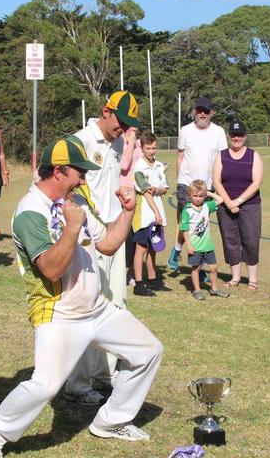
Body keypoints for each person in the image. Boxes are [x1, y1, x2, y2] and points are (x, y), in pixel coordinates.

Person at [0, 138, 163, 456]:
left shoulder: (75, 202)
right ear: (59, 171)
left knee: (148, 351)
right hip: (58, 313)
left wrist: (128, 212)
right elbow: (50, 269)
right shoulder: (29, 212)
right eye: (79, 172)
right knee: (45, 385)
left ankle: (111, 421)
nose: (84, 179)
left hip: (97, 308)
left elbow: (108, 244)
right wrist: (72, 228)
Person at [64, 90, 141, 404]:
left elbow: (108, 185)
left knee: (116, 305)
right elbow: (67, 190)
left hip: (115, 233)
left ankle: (104, 377)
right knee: (87, 307)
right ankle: (76, 383)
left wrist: (120, 199)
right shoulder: (80, 141)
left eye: (128, 124)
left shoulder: (118, 142)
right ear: (105, 111)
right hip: (90, 239)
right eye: (120, 121)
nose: (123, 128)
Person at [168, 96, 228, 273]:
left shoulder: (218, 132)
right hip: (186, 184)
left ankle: (178, 251)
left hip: (207, 186)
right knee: (188, 223)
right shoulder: (185, 130)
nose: (202, 114)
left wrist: (218, 185)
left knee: (200, 226)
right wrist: (179, 183)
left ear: (211, 113)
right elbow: (179, 158)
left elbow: (221, 160)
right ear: (195, 111)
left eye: (206, 111)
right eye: (199, 110)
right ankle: (198, 268)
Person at [212, 119, 263, 290]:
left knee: (251, 240)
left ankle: (252, 280)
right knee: (230, 241)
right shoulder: (222, 155)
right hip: (226, 206)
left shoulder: (253, 155)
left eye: (240, 135)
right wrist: (228, 202)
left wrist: (238, 201)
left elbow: (256, 182)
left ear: (245, 136)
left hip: (250, 206)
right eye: (234, 135)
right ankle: (235, 277)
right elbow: (216, 181)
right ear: (229, 136)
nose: (236, 138)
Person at [132, 132, 168, 296]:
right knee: (141, 248)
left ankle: (153, 280)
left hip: (157, 212)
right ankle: (139, 284)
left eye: (154, 148)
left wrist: (158, 189)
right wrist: (156, 212)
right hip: (145, 213)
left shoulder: (160, 166)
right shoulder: (139, 167)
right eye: (148, 148)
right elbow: (145, 192)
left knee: (153, 247)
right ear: (141, 148)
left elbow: (164, 189)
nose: (152, 151)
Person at [180, 180, 228, 301]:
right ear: (189, 195)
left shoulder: (207, 206)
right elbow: (184, 230)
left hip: (208, 246)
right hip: (195, 247)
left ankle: (214, 289)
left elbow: (221, 200)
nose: (197, 199)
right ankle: (197, 290)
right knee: (196, 268)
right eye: (195, 196)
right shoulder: (187, 210)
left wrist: (210, 194)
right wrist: (189, 245)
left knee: (213, 268)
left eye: (201, 196)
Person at [119, 127, 143, 286]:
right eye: (129, 128)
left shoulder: (139, 145)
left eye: (135, 128)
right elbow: (124, 165)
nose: (132, 130)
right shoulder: (118, 143)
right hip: (121, 196)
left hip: (137, 195)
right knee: (123, 236)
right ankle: (121, 274)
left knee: (135, 237)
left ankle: (129, 272)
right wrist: (131, 141)